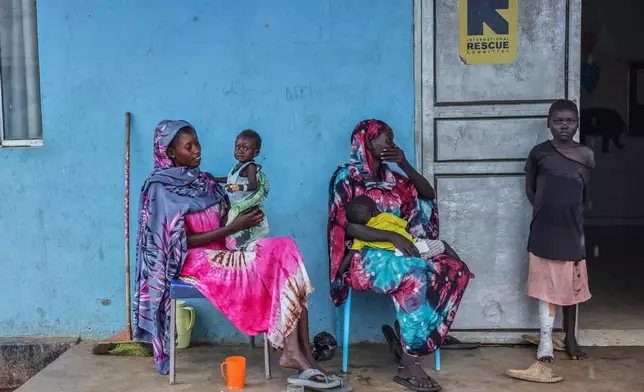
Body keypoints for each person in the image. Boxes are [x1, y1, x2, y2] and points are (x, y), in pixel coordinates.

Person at [134, 120, 337, 388]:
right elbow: (177, 243)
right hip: (195, 260)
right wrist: (233, 227)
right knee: (274, 264)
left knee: (285, 248)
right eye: (189, 146)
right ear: (170, 152)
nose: (198, 150)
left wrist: (243, 222)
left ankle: (300, 352)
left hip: (223, 249)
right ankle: (295, 353)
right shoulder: (159, 189)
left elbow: (230, 207)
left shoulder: (201, 181)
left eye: (197, 143)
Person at [328, 119, 472, 392]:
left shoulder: (393, 178)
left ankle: (415, 335)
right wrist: (391, 236)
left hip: (402, 247)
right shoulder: (346, 177)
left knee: (455, 269)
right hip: (365, 256)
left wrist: (404, 164)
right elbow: (347, 226)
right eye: (386, 138)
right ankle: (409, 364)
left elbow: (428, 194)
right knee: (415, 273)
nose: (392, 144)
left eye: (393, 138)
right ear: (367, 143)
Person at [525, 100, 594, 363]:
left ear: (577, 122)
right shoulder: (539, 153)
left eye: (570, 121)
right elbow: (530, 189)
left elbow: (584, 192)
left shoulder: (586, 154)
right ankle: (545, 339)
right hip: (544, 227)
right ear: (548, 123)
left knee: (571, 284)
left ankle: (570, 337)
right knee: (545, 284)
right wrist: (544, 212)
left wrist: (570, 214)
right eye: (558, 121)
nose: (564, 125)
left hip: (572, 229)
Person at [210, 129, 269, 251]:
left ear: (255, 152)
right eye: (237, 147)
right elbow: (231, 180)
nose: (240, 151)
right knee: (227, 223)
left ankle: (240, 247)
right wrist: (215, 179)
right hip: (236, 202)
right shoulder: (238, 166)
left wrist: (237, 188)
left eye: (245, 148)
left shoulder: (250, 167)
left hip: (244, 204)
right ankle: (237, 246)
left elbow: (253, 186)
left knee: (228, 224)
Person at [345, 195, 447, 258]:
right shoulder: (385, 217)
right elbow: (406, 226)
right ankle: (459, 263)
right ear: (374, 211)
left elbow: (351, 254)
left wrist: (340, 272)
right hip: (415, 247)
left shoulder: (361, 236)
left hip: (397, 257)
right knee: (444, 245)